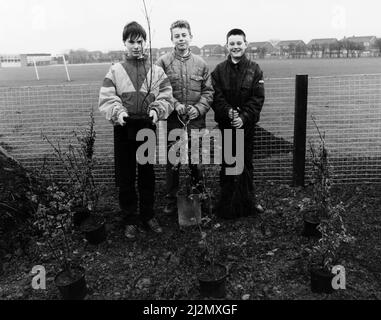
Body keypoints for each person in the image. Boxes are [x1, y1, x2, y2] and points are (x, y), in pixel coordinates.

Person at [98, 21, 173, 239]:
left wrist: (157, 110)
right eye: (132, 42)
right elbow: (107, 97)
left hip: (147, 127)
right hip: (124, 128)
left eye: (140, 41)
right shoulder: (115, 70)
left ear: (145, 43)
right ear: (124, 43)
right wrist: (117, 112)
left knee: (147, 174)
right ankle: (129, 219)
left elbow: (166, 96)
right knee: (126, 175)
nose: (137, 46)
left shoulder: (156, 71)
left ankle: (148, 215)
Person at [156, 20, 214, 215]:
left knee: (197, 160)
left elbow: (208, 91)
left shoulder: (201, 63)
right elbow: (159, 89)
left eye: (184, 35)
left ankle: (199, 195)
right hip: (174, 120)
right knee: (174, 160)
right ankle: (172, 199)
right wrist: (176, 105)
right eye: (177, 36)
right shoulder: (163, 62)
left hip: (197, 120)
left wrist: (198, 109)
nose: (181, 39)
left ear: (191, 36)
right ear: (172, 38)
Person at [211, 28, 265, 219]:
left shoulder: (255, 69)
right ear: (227, 46)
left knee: (246, 164)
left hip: (246, 128)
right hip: (226, 127)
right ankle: (225, 204)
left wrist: (243, 117)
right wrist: (228, 112)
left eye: (238, 43)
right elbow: (216, 98)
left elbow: (257, 99)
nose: (235, 47)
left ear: (245, 44)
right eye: (231, 44)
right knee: (227, 164)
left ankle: (248, 202)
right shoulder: (218, 71)